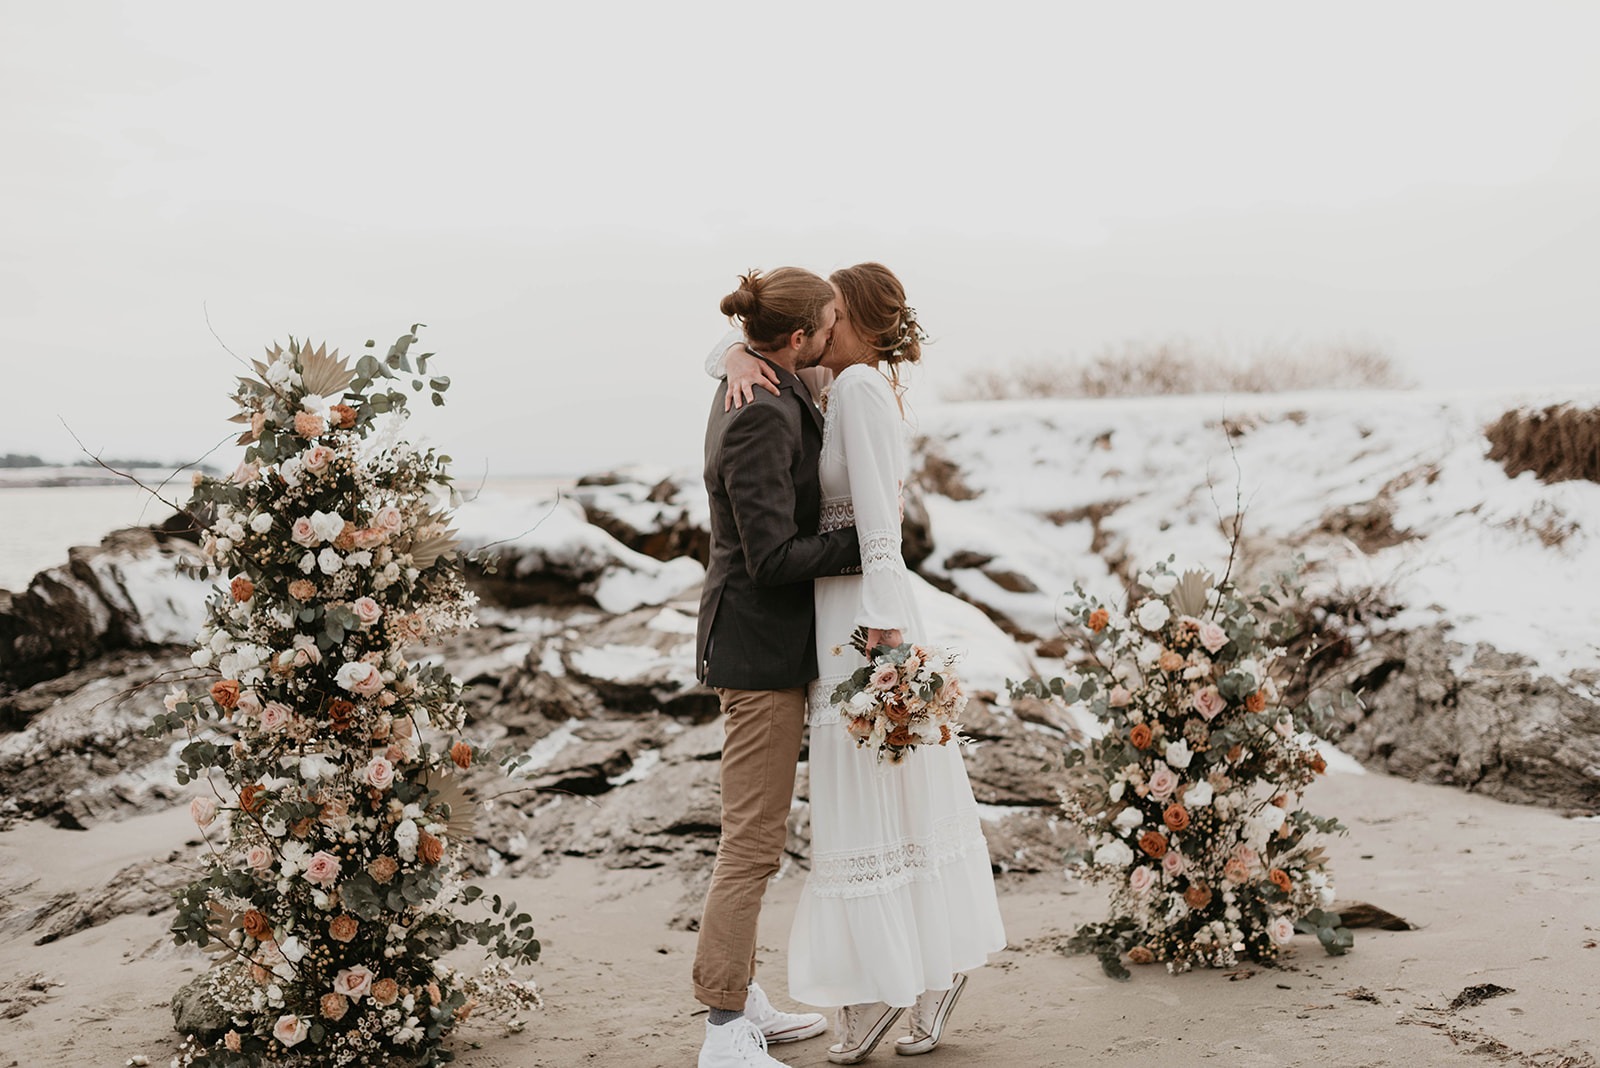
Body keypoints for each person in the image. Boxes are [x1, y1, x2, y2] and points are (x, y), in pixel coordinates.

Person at [709, 263, 1006, 1064]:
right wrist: (735, 356)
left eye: (835, 311)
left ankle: (925, 976)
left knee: (891, 795)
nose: (824, 324)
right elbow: (756, 347)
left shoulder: (864, 391)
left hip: (863, 621)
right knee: (859, 804)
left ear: (853, 321)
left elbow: (882, 524)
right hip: (829, 612)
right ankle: (893, 974)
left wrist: (884, 631)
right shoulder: (823, 381)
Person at [694, 267, 866, 1068]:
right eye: (828, 324)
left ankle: (745, 996)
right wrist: (870, 545)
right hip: (756, 653)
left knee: (757, 836)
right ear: (798, 339)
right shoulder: (758, 412)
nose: (836, 334)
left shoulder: (769, 376)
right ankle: (723, 1030)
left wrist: (728, 349)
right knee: (753, 843)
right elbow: (768, 558)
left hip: (769, 646)